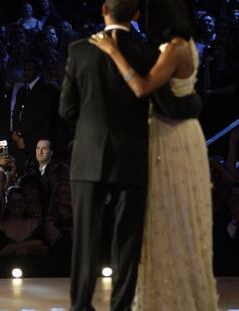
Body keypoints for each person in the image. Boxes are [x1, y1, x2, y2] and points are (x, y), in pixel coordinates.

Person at [59, 0, 204, 310]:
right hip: (133, 156)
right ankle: (120, 306)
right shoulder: (149, 51)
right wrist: (195, 105)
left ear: (103, 10)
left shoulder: (79, 50)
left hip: (88, 155)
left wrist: (90, 129)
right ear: (137, 15)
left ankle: (81, 305)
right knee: (126, 240)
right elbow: (165, 104)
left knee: (85, 238)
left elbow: (66, 109)